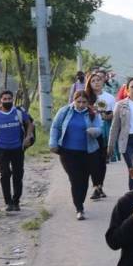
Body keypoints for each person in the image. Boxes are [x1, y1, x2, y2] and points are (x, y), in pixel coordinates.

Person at [49, 90, 103, 220]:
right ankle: (79, 208)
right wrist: (53, 143)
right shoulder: (65, 111)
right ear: (74, 100)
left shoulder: (92, 113)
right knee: (75, 179)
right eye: (78, 101)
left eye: (84, 102)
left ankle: (81, 202)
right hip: (68, 152)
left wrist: (94, 131)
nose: (81, 104)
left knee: (84, 180)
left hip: (87, 152)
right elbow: (55, 127)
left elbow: (100, 128)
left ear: (88, 102)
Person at [0, 90, 34, 212]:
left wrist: (28, 137)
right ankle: (8, 202)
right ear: (0, 101)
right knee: (5, 174)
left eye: (9, 99)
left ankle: (16, 201)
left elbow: (30, 124)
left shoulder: (18, 112)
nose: (7, 101)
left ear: (12, 100)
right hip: (2, 150)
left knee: (18, 175)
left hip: (18, 149)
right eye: (4, 99)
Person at [85, 71, 116, 199]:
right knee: (93, 161)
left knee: (102, 161)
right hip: (90, 132)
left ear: (103, 81)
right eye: (93, 80)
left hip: (104, 131)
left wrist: (106, 116)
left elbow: (114, 114)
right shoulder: (86, 97)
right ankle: (96, 186)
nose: (96, 82)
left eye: (98, 80)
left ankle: (99, 187)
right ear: (89, 83)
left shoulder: (110, 97)